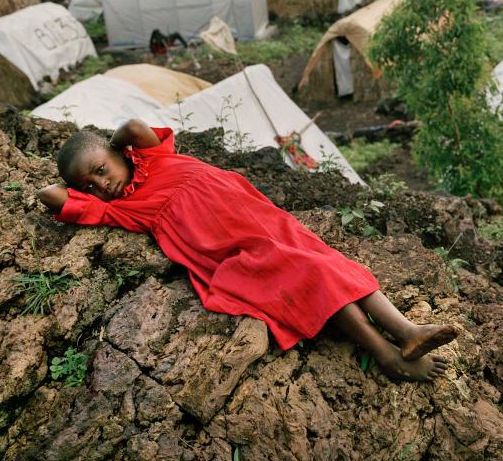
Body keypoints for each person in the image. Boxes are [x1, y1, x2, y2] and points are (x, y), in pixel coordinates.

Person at [36, 121, 457, 383]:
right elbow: (49, 195)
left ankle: (406, 330)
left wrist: (114, 149)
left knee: (333, 262)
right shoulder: (119, 208)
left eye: (101, 170)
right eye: (88, 185)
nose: (99, 185)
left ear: (117, 154)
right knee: (311, 275)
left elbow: (131, 126)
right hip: (227, 245)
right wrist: (83, 186)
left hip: (258, 217)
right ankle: (384, 354)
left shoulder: (151, 156)